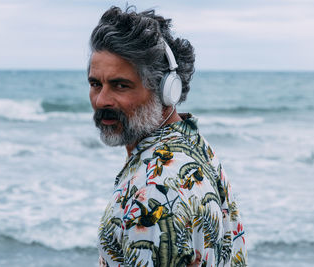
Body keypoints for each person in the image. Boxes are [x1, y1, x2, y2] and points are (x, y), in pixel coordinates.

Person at [88, 6, 247, 267]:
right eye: (96, 84)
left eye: (120, 85)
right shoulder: (195, 145)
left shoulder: (154, 191)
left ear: (166, 91)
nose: (102, 100)